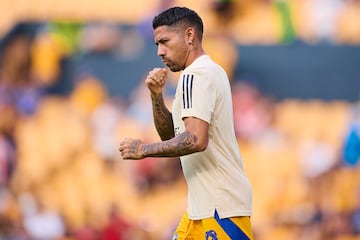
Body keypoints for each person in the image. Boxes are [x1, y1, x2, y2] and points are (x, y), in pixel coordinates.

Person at [119, 6, 253, 240]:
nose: (160, 51)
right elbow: (173, 137)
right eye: (157, 44)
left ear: (189, 36)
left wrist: (143, 150)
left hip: (219, 207)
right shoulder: (209, 72)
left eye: (165, 41)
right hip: (201, 208)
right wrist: (156, 96)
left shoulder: (195, 76)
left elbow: (195, 140)